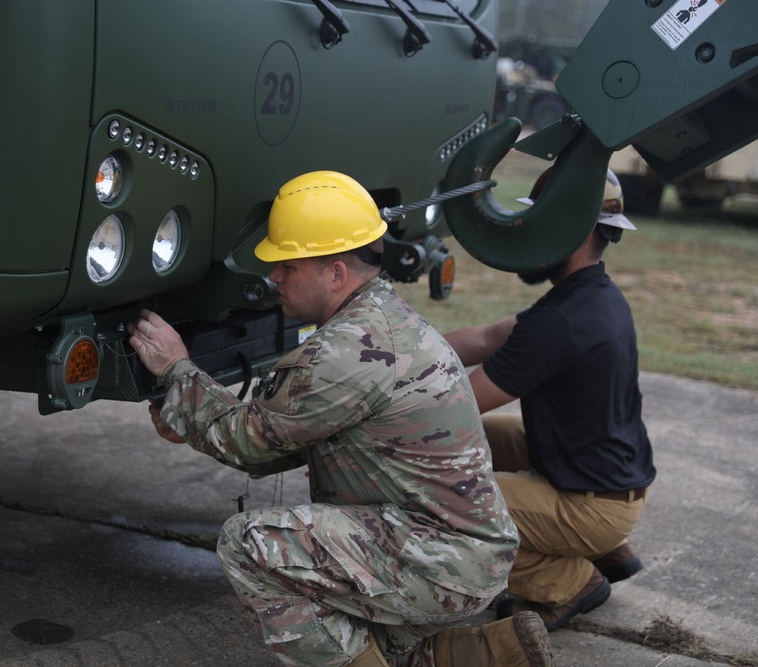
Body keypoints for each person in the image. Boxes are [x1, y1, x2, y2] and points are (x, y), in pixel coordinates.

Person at [128, 171, 554, 667]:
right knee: (356, 628)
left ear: (335, 273)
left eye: (287, 265)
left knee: (251, 545)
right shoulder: (380, 320)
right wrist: (197, 419)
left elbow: (248, 442)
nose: (274, 278)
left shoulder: (347, 351)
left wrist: (178, 371)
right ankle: (490, 654)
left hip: (443, 561)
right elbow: (290, 438)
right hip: (454, 548)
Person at [443, 168, 656, 632]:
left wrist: (378, 401)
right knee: (473, 441)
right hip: (606, 478)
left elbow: (453, 406)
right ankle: (603, 549)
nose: (527, 234)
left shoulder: (560, 323)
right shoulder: (592, 295)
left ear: (572, 229)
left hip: (593, 503)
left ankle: (569, 579)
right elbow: (487, 336)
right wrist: (399, 355)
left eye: (538, 222)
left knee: (434, 497)